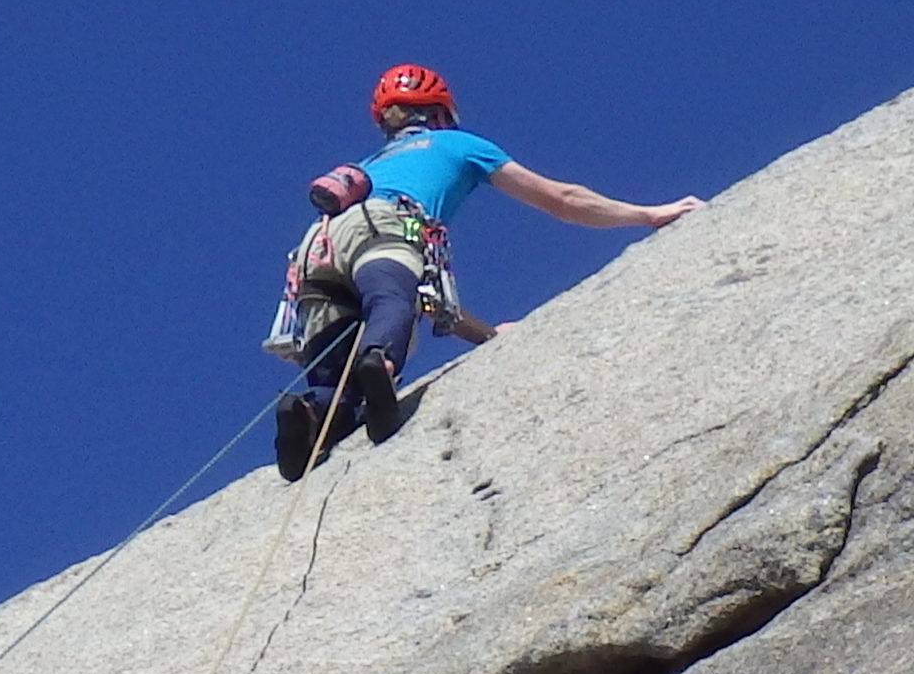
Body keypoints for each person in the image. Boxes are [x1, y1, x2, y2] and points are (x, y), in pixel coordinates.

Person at [276, 64, 705, 479]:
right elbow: (562, 198)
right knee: (389, 300)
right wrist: (649, 214)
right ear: (441, 112)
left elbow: (428, 302)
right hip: (389, 226)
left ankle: (312, 413)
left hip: (318, 249)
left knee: (337, 384)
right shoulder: (459, 144)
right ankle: (380, 360)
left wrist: (485, 337)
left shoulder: (366, 166)